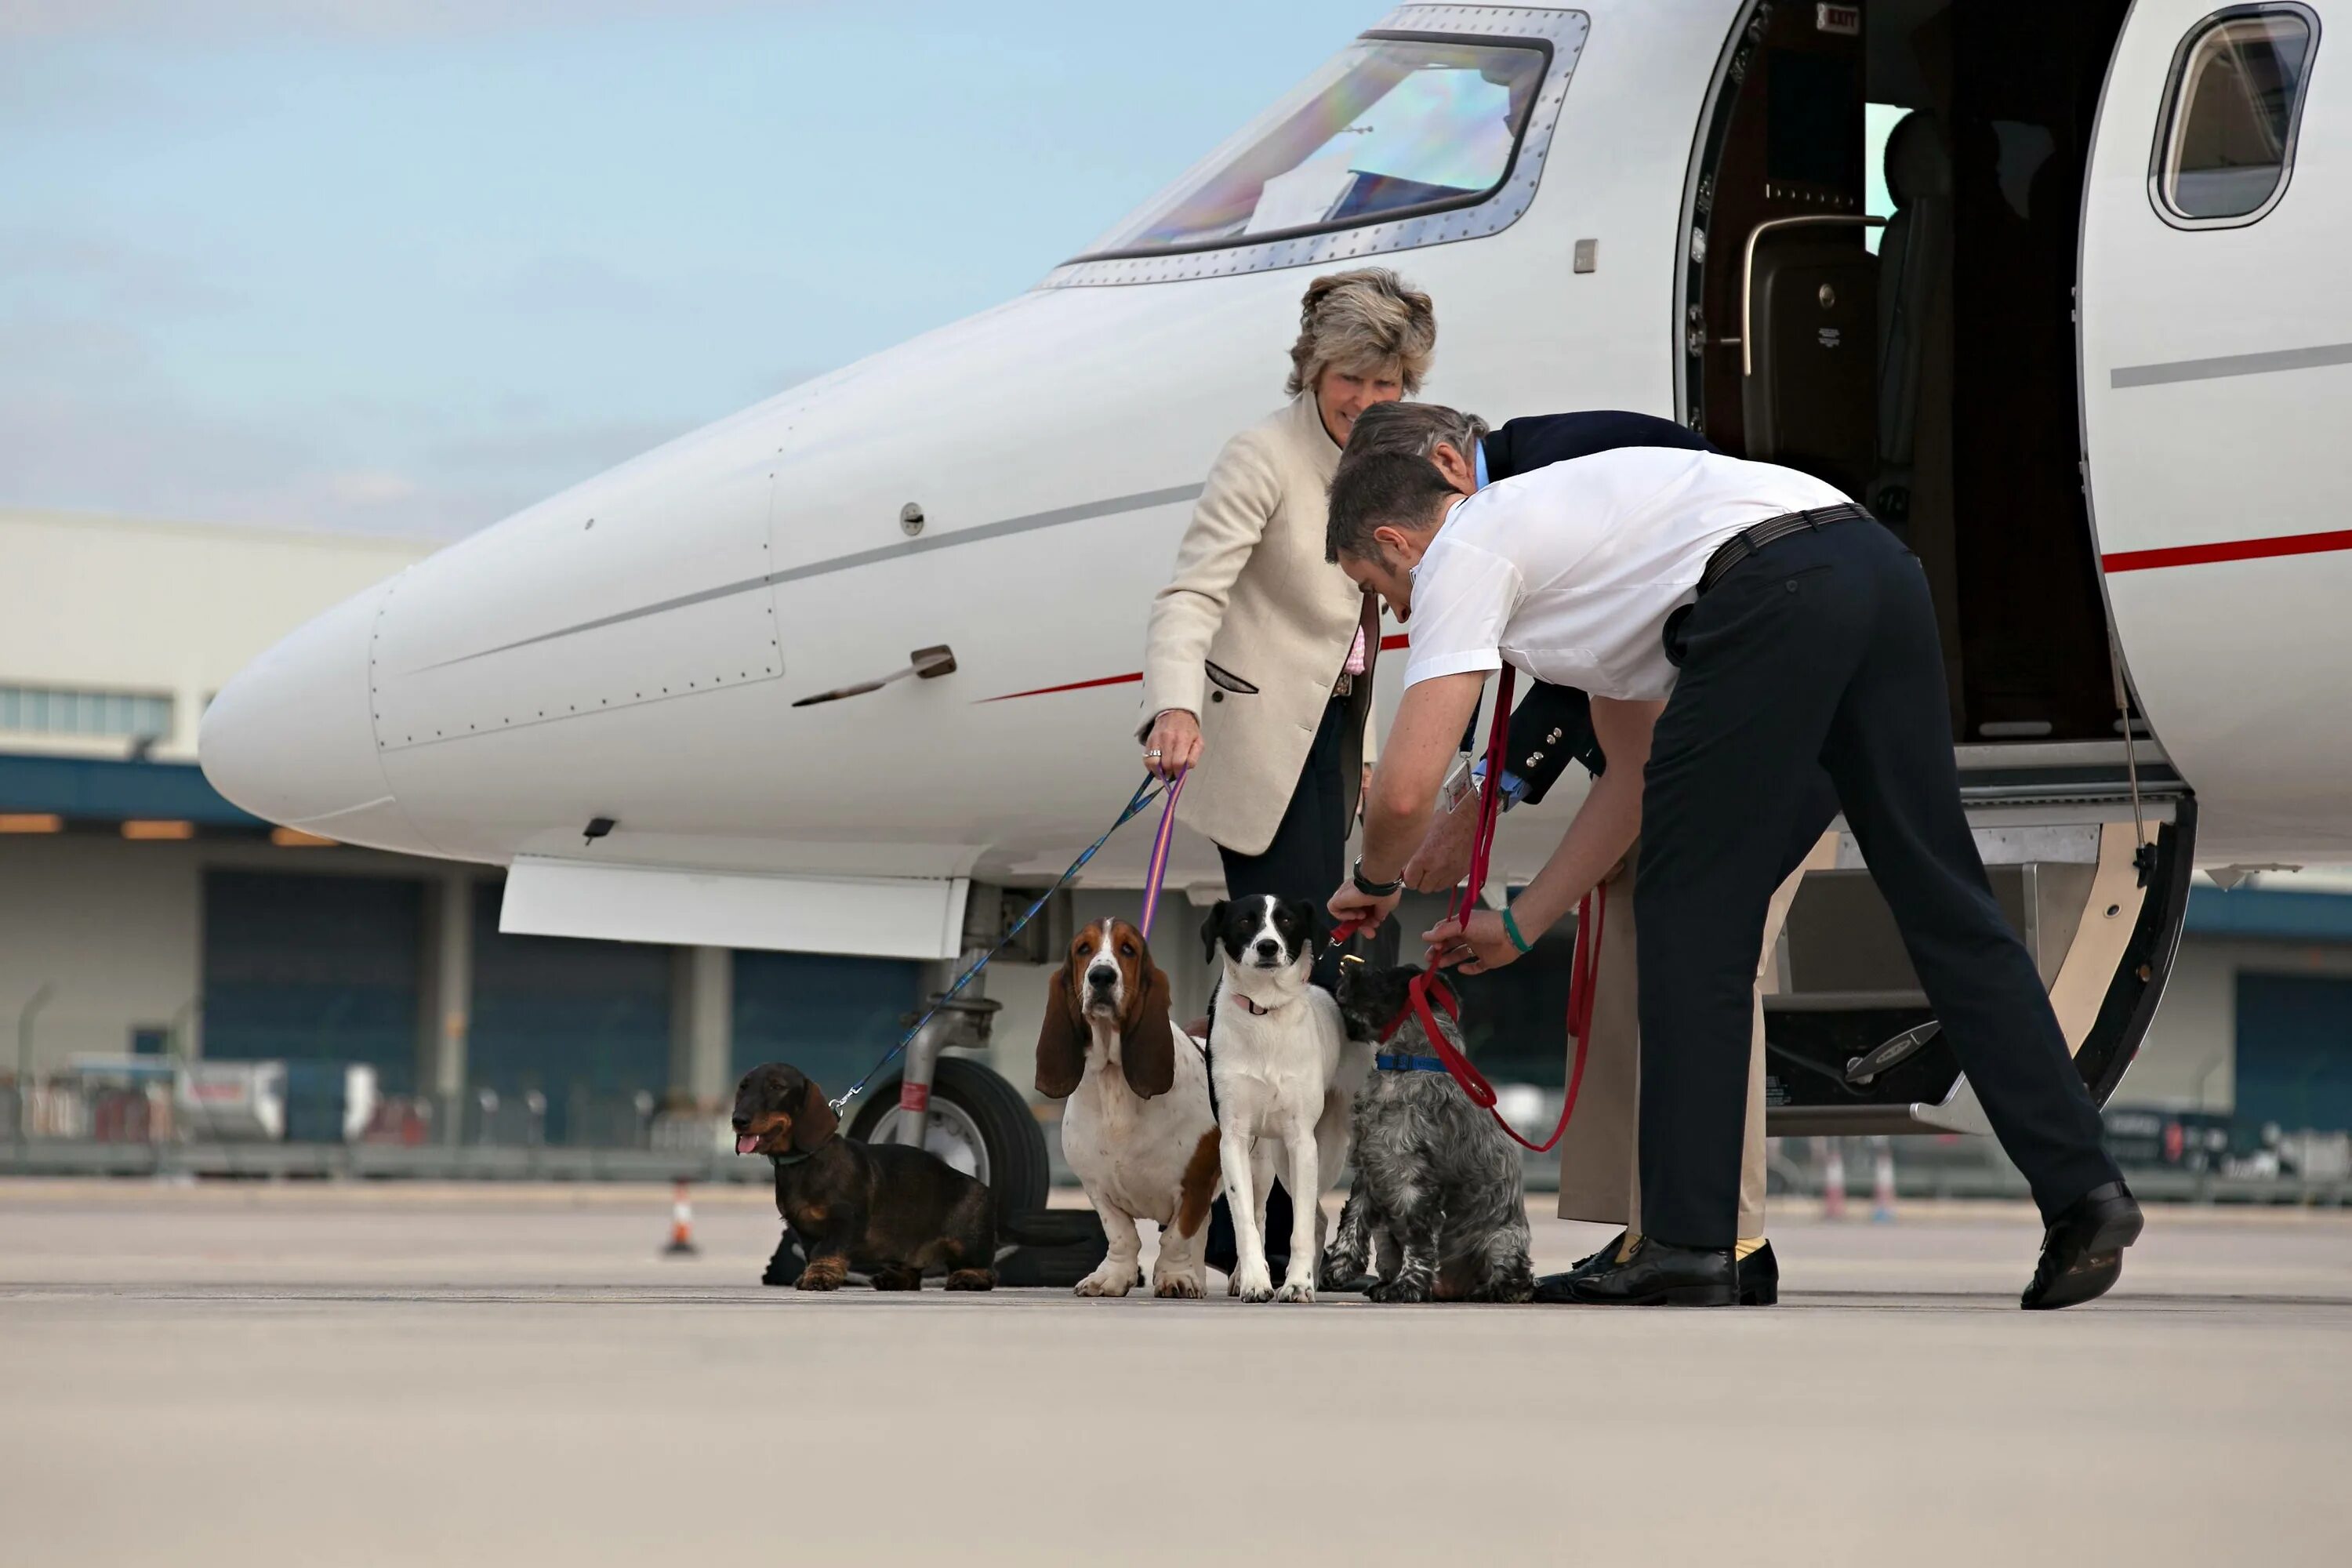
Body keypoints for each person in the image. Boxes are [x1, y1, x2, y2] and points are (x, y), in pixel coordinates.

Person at [1322, 443, 2142, 1309]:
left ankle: (1691, 1241)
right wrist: (1524, 921)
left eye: (1375, 588)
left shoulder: (1465, 548)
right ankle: (2084, 1190)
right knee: (1945, 903)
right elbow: (1632, 776)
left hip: (1771, 593)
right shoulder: (1577, 553)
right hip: (1874, 568)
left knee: (1688, 918)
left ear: (1396, 540)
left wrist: (1373, 880)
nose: (1390, 608)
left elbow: (1408, 788)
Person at [1334, 401, 1828, 1300]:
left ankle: (1729, 1233)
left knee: (1708, 977)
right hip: (1649, 770)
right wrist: (1515, 891)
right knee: (1627, 980)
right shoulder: (1521, 494)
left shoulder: (1561, 475)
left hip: (1739, 739)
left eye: (1395, 571)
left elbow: (1594, 650)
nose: (1405, 603)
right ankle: (1657, 1225)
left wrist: (1479, 797)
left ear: (1441, 469)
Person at [1135, 267, 1437, 1278]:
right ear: (1313, 368)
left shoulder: (1404, 453)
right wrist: (1174, 703)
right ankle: (1241, 1233)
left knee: (1346, 988)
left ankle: (1315, 1224)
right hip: (1268, 747)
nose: (1369, 397)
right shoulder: (1262, 456)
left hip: (1347, 741)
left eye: (1391, 379)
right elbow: (1190, 594)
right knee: (1290, 988)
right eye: (1351, 375)